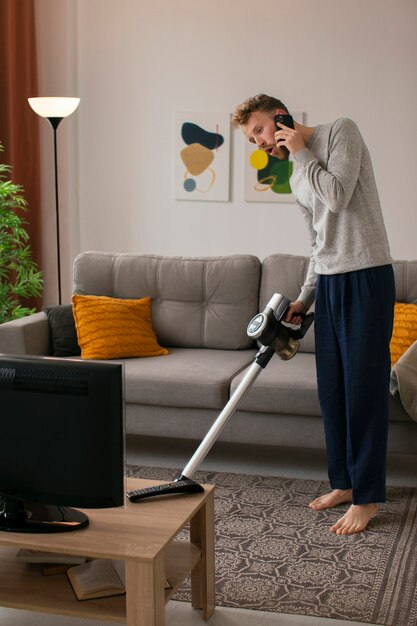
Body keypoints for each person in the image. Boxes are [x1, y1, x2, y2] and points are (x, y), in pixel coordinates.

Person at [232, 94, 395, 535]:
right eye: (253, 139)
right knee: (333, 390)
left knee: (363, 389)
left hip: (366, 276)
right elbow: (318, 243)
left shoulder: (340, 131)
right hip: (331, 283)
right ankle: (344, 482)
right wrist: (306, 297)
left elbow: (338, 196)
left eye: (262, 130)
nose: (261, 143)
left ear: (281, 116)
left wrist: (300, 152)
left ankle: (368, 496)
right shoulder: (294, 175)